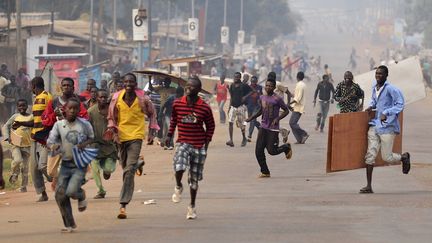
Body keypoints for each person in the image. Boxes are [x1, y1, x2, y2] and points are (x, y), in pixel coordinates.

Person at [107, 73, 158, 219]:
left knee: (128, 171)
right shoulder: (116, 98)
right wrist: (112, 130)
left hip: (136, 136)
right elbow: (111, 117)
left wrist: (151, 132)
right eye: (126, 81)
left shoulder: (143, 98)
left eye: (131, 81)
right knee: (125, 167)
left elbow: (152, 113)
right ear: (123, 83)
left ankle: (123, 204)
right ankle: (138, 163)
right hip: (121, 137)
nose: (129, 83)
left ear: (135, 84)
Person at [166, 76, 215, 219]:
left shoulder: (204, 107)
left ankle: (192, 206)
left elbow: (211, 126)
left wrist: (207, 141)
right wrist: (169, 135)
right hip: (183, 142)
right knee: (179, 166)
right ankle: (178, 186)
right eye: (187, 85)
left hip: (199, 145)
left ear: (198, 90)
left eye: (192, 86)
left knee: (194, 181)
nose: (188, 88)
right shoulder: (177, 104)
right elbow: (174, 120)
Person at [360, 65, 411, 194]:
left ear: (386, 76)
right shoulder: (374, 87)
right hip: (375, 124)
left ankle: (403, 157)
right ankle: (369, 186)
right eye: (376, 74)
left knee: (386, 157)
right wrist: (371, 106)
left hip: (387, 126)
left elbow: (400, 104)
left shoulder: (391, 89)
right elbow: (374, 101)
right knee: (370, 155)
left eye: (381, 74)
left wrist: (387, 112)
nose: (378, 76)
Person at [47, 98, 94, 233]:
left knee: (71, 191)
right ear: (65, 110)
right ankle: (69, 224)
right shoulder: (58, 125)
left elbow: (91, 137)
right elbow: (51, 141)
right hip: (66, 164)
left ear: (79, 110)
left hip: (80, 164)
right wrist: (53, 145)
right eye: (70, 108)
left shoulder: (84, 124)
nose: (72, 111)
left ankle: (81, 194)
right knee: (60, 194)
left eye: (75, 108)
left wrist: (83, 144)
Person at [12, 77, 52, 202]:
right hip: (34, 137)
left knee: (43, 166)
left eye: (31, 86)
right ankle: (42, 193)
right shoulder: (36, 100)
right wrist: (20, 123)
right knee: (33, 168)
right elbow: (36, 121)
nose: (30, 89)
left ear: (34, 86)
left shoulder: (46, 97)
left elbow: (50, 117)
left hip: (44, 137)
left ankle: (55, 179)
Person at [246, 76, 292, 178]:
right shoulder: (262, 97)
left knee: (272, 151)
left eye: (270, 86)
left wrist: (278, 118)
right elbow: (261, 110)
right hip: (263, 127)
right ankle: (265, 171)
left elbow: (286, 110)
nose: (268, 87)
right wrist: (251, 118)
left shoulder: (277, 99)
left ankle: (286, 147)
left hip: (273, 128)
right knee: (258, 151)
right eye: (266, 85)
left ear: (274, 87)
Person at [88, 89, 117, 199]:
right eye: (101, 97)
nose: (103, 99)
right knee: (95, 168)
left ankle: (106, 171)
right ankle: (100, 190)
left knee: (109, 169)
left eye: (105, 97)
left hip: (109, 146)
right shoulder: (91, 111)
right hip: (95, 145)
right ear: (97, 98)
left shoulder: (112, 110)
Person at [2, 99, 33, 192]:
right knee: (17, 160)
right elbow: (6, 126)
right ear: (17, 107)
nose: (22, 108)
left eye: (24, 106)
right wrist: (7, 137)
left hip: (27, 145)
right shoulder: (15, 116)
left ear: (27, 106)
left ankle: (23, 187)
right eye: (20, 106)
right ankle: (14, 173)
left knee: (25, 168)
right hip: (16, 144)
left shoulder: (31, 117)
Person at [226, 72, 252, 147]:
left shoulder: (243, 85)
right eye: (235, 77)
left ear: (240, 78)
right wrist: (229, 107)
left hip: (241, 107)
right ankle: (231, 140)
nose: (236, 78)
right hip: (233, 106)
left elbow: (252, 91)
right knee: (230, 122)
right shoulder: (232, 85)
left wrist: (245, 97)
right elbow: (231, 96)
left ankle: (244, 138)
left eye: (237, 77)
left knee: (242, 124)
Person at [289, 72, 309, 144]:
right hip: (297, 106)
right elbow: (295, 95)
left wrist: (290, 103)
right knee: (293, 123)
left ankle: (304, 133)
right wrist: (290, 94)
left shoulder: (300, 85)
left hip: (298, 107)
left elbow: (298, 98)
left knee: (292, 123)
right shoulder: (301, 85)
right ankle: (299, 139)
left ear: (297, 77)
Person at [246, 76, 262, 142]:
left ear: (257, 81)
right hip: (249, 106)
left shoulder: (259, 87)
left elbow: (261, 95)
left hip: (256, 106)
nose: (253, 83)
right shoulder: (248, 87)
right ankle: (260, 127)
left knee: (252, 120)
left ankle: (249, 135)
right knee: (252, 120)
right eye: (252, 82)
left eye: (254, 82)